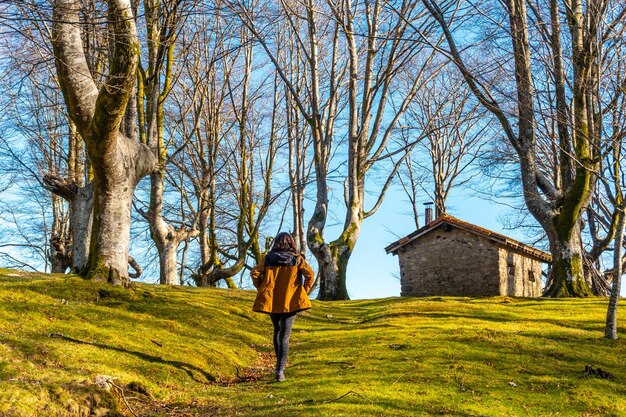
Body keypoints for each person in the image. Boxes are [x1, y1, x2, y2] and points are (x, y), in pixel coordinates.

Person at [251, 232, 315, 382]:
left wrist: (261, 288)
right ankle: (280, 371)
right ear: (291, 243)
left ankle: (278, 368)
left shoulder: (268, 258)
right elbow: (310, 275)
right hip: (291, 301)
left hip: (272, 301)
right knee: (284, 335)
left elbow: (254, 273)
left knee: (277, 331)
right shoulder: (297, 259)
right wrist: (303, 291)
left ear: (276, 243)